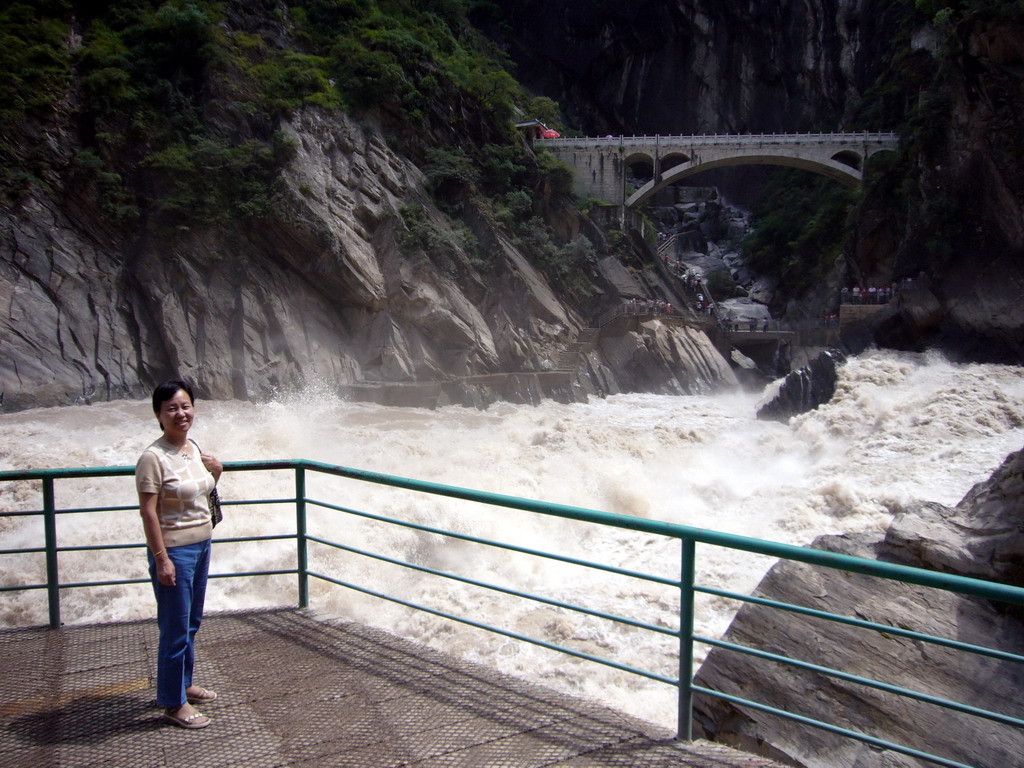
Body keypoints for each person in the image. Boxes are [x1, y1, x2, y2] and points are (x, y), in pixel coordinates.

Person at [136, 379, 223, 730]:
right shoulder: (152, 458)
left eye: (185, 406)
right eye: (171, 408)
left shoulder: (192, 448)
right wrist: (161, 558)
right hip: (175, 551)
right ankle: (174, 704)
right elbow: (148, 512)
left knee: (191, 623)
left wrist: (216, 471)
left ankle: (183, 685)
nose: (180, 413)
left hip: (202, 546)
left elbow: (202, 491)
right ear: (159, 414)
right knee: (175, 628)